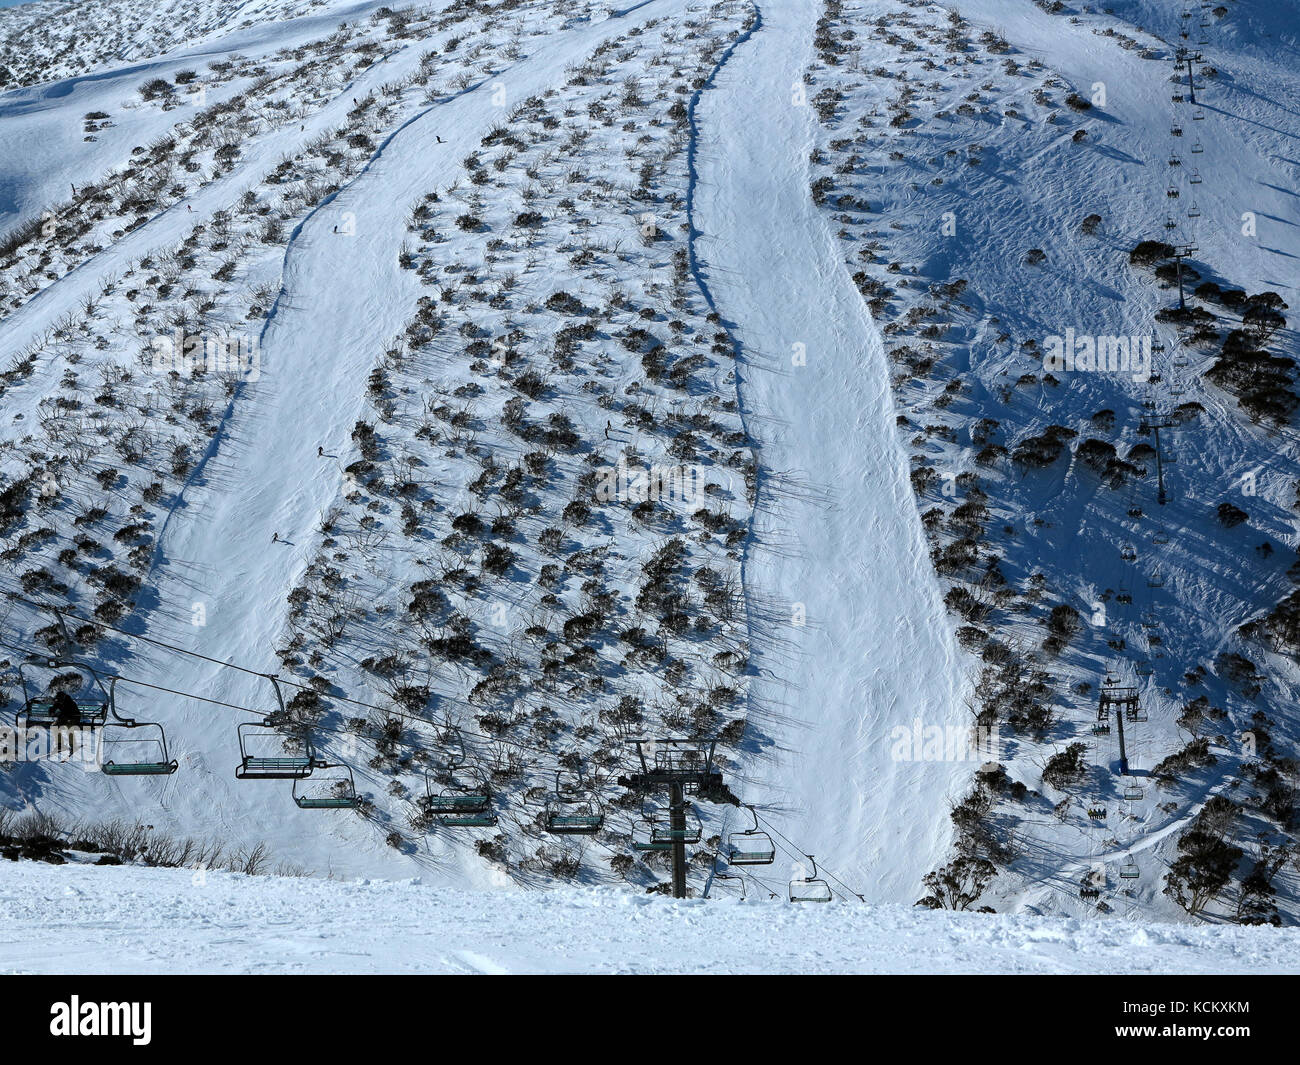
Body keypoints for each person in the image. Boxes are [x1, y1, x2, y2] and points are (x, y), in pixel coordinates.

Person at [51, 691, 79, 757]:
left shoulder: (69, 702)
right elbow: (54, 708)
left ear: (62, 698)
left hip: (73, 718)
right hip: (64, 718)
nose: (58, 701)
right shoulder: (59, 702)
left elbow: (68, 713)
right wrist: (51, 711)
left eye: (59, 699)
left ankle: (73, 746)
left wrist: (61, 718)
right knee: (55, 727)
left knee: (69, 727)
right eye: (57, 700)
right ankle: (60, 745)